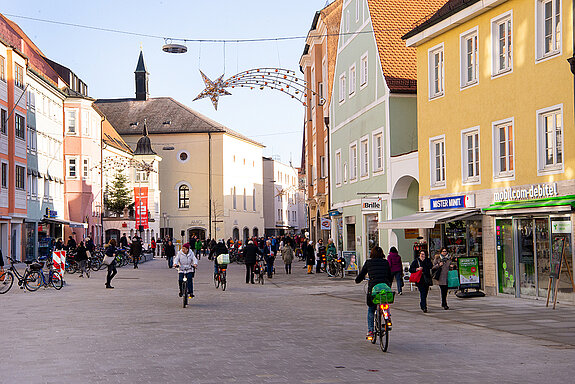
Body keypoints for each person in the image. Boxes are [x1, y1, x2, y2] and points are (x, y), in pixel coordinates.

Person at [355, 246, 392, 340]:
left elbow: (362, 274)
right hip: (384, 287)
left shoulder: (368, 263)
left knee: (371, 309)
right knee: (385, 302)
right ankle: (388, 320)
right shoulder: (385, 262)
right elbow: (390, 276)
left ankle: (371, 331)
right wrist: (388, 285)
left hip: (373, 288)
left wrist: (358, 280)